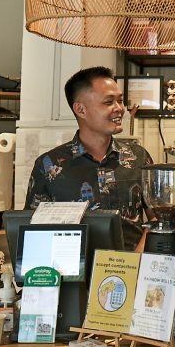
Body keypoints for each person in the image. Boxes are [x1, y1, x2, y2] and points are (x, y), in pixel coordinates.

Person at [25, 67, 153, 248]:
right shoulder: (48, 165)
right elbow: (33, 230)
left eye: (120, 101)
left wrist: (140, 257)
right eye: (109, 102)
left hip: (134, 271)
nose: (119, 109)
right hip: (73, 273)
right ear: (80, 109)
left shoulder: (139, 157)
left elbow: (158, 217)